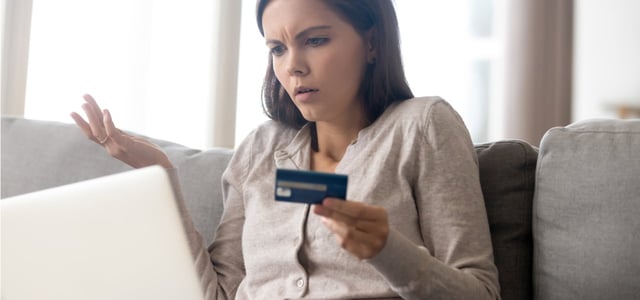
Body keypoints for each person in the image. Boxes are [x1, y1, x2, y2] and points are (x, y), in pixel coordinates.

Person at [71, 0, 500, 299]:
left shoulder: (422, 126)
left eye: (315, 40)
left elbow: (481, 291)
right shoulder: (261, 148)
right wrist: (161, 176)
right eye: (277, 48)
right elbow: (220, 293)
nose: (292, 65)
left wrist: (389, 251)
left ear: (371, 43)